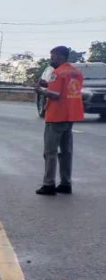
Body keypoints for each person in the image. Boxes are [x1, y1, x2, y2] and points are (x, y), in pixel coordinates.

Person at [35, 45, 84, 195]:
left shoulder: (57, 73)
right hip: (70, 116)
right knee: (66, 152)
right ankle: (65, 183)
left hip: (56, 117)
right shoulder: (76, 73)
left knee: (50, 152)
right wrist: (47, 84)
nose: (51, 59)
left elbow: (55, 95)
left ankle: (48, 184)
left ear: (61, 56)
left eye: (53, 56)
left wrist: (41, 90)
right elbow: (66, 89)